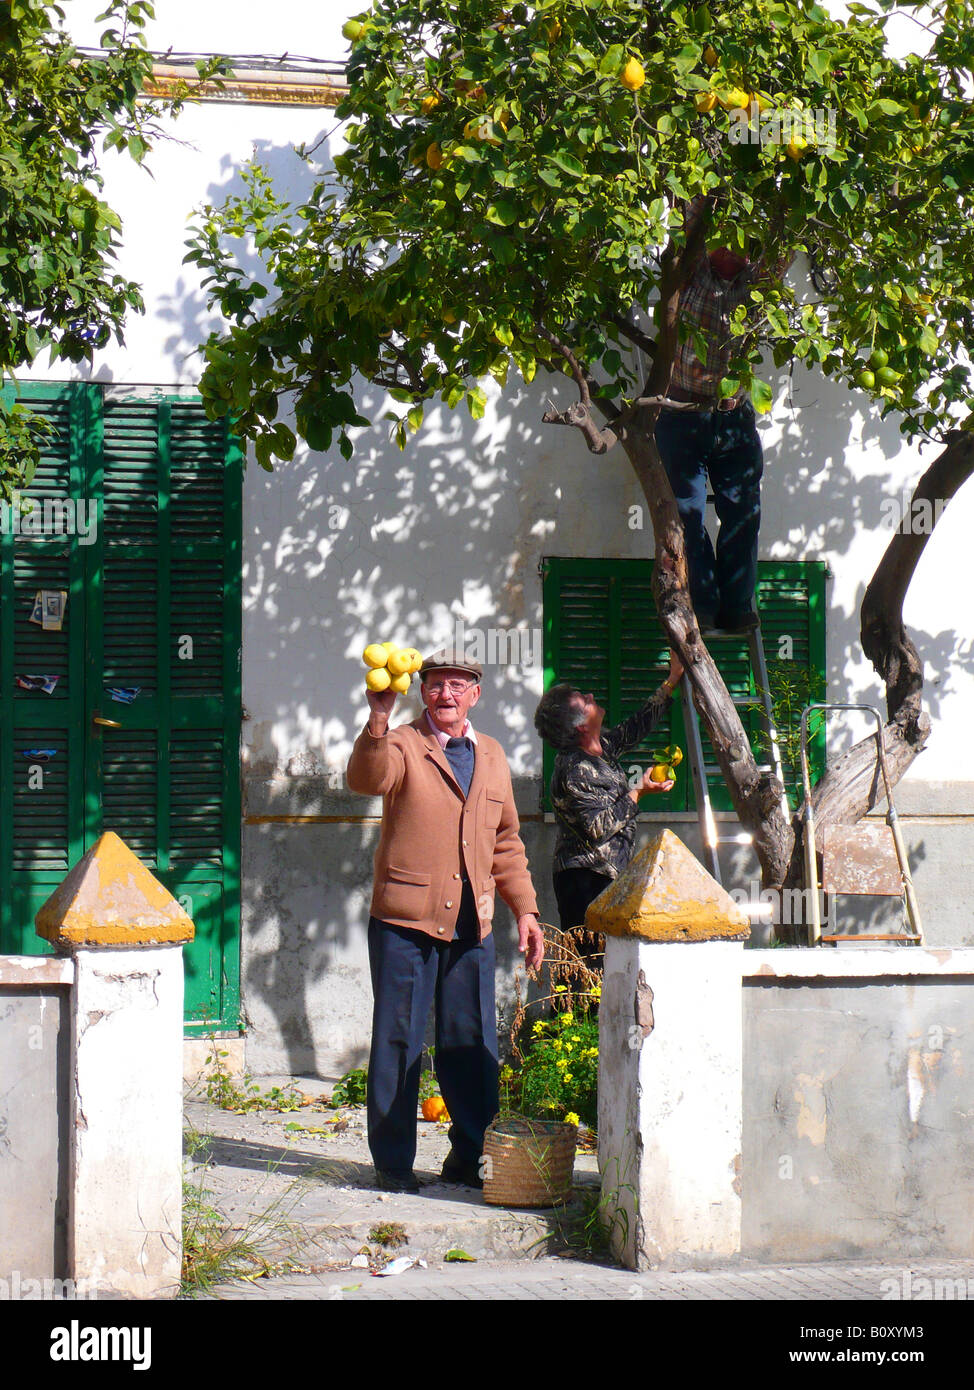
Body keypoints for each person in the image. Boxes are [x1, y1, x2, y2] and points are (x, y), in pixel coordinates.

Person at [346, 645, 545, 1194]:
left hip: (472, 924)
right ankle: (391, 1164)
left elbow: (506, 842)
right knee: (398, 1040)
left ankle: (470, 1153)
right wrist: (378, 717)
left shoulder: (494, 756)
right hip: (404, 921)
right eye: (435, 685)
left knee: (471, 1039)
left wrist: (525, 910)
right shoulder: (402, 743)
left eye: (458, 685)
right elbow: (367, 779)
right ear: (422, 691)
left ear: (475, 694)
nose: (446, 694)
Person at [654, 244, 769, 635]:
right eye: (730, 242)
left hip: (733, 416)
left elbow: (782, 240)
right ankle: (702, 604)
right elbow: (694, 211)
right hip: (683, 413)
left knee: (743, 511)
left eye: (745, 245)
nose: (738, 250)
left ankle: (736, 606)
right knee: (687, 515)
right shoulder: (692, 271)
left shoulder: (757, 281)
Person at [533, 652, 684, 948]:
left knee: (609, 962)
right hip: (584, 882)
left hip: (606, 876)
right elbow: (598, 827)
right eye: (584, 701)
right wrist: (638, 792)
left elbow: (635, 728)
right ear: (579, 726)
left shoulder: (600, 747)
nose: (591, 696)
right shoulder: (575, 768)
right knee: (589, 967)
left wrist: (672, 681)